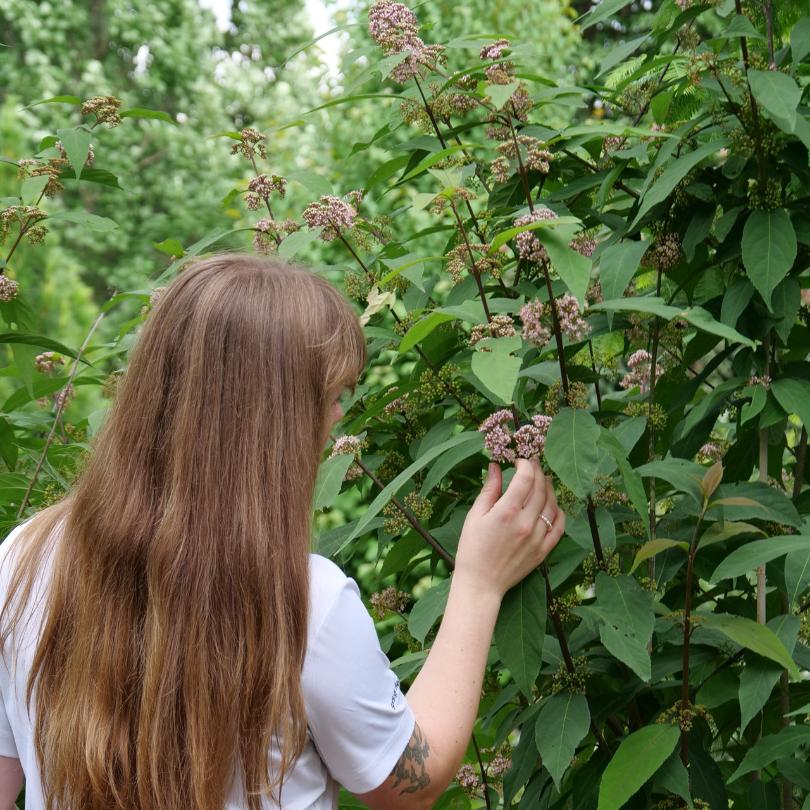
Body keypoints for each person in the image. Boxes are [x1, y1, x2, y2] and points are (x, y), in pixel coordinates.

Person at [0, 253, 564, 810]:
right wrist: (478, 585)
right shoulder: (302, 604)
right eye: (328, 398)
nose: (338, 417)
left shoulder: (21, 561)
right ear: (274, 424)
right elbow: (407, 783)